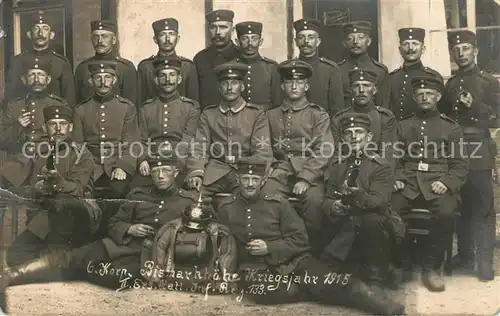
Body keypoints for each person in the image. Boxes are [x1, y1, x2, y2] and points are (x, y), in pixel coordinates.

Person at [0, 153, 199, 314]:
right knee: (72, 257)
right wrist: (129, 228)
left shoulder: (188, 201)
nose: (161, 176)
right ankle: (14, 275)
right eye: (156, 171)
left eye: (166, 171)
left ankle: (82, 271)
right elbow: (113, 223)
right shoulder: (138, 195)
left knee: (113, 278)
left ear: (176, 172)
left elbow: (203, 235)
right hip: (121, 244)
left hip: (149, 257)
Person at [215, 157, 404, 315]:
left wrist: (270, 248)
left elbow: (300, 240)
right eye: (245, 178)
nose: (249, 183)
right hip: (255, 269)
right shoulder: (226, 208)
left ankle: (376, 302)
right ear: (238, 179)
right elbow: (223, 243)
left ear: (263, 181)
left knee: (335, 283)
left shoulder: (278, 204)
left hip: (294, 262)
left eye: (254, 179)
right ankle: (311, 288)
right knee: (264, 292)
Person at [392, 74, 469, 291]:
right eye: (420, 94)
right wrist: (397, 178)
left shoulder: (450, 128)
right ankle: (402, 263)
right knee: (390, 209)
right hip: (408, 183)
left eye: (429, 94)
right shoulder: (403, 125)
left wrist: (446, 182)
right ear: (415, 98)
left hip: (438, 183)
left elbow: (460, 164)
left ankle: (432, 267)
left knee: (446, 212)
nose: (424, 97)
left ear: (438, 96)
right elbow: (393, 158)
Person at [3, 105, 97, 269]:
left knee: (63, 204)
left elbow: (78, 189)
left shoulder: (82, 153)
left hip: (79, 212)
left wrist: (58, 182)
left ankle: (59, 258)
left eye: (63, 124)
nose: (58, 129)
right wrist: (36, 189)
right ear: (45, 127)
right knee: (15, 256)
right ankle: (56, 259)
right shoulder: (37, 152)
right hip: (46, 213)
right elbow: (20, 188)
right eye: (53, 124)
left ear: (70, 127)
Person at [442, 30, 500, 281]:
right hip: (455, 151)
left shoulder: (489, 83)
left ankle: (484, 262)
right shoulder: (451, 84)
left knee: (482, 206)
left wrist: (475, 107)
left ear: (475, 51)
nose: (461, 53)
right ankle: (466, 256)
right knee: (461, 204)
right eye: (456, 50)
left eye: (465, 48)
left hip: (478, 148)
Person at [261, 59, 333, 255]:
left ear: (306, 86)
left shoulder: (318, 115)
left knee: (314, 201)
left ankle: (312, 251)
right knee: (266, 195)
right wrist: (268, 170)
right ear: (282, 86)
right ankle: (275, 248)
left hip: (311, 172)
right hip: (281, 170)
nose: (294, 86)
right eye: (289, 82)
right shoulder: (270, 115)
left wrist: (305, 178)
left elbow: (324, 149)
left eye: (299, 82)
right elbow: (263, 147)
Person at [321, 113, 398, 286]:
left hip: (374, 226)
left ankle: (375, 275)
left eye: (359, 132)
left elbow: (379, 202)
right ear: (342, 138)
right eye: (348, 132)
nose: (354, 136)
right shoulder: (337, 166)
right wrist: (333, 205)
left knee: (371, 220)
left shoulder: (381, 166)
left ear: (369, 136)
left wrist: (357, 195)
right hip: (345, 221)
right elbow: (327, 198)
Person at [185, 62, 272, 198]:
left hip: (244, 171)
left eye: (234, 83)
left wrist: (254, 176)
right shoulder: (209, 114)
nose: (230, 88)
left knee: (247, 201)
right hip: (215, 170)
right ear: (219, 88)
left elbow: (262, 150)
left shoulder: (256, 114)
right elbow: (199, 147)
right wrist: (196, 172)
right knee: (192, 197)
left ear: (242, 87)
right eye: (225, 83)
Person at [72, 61, 140, 199]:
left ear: (114, 80)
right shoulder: (81, 109)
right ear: (91, 81)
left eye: (107, 77)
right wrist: (87, 165)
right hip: (90, 163)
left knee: (119, 191)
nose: (103, 82)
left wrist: (122, 166)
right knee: (81, 193)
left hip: (117, 161)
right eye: (98, 78)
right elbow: (78, 143)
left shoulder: (127, 107)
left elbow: (131, 142)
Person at [0, 57, 69, 190]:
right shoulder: (13, 106)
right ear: (24, 79)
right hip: (18, 164)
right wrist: (17, 127)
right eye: (32, 75)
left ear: (48, 79)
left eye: (41, 75)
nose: (37, 79)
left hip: (49, 162)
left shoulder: (59, 105)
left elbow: (68, 141)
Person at [132, 56, 200, 189]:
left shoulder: (191, 107)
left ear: (179, 79)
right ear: (156, 80)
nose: (167, 80)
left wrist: (177, 165)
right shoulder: (146, 108)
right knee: (136, 189)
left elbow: (188, 140)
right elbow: (141, 140)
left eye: (172, 75)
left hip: (180, 162)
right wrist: (143, 160)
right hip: (151, 162)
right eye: (162, 76)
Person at [5, 10, 75, 107]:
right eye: (36, 29)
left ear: (51, 35)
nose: (40, 33)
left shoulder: (61, 62)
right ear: (29, 34)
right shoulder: (18, 61)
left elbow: (69, 99)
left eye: (45, 29)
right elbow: (11, 96)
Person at [331, 69, 396, 165]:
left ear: (374, 90)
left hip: (376, 172)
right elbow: (335, 155)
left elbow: (387, 155)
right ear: (351, 90)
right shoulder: (338, 119)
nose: (361, 90)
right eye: (356, 86)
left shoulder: (385, 118)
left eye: (366, 85)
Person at [377, 27, 444, 119]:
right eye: (406, 44)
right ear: (400, 50)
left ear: (423, 49)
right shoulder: (392, 78)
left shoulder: (433, 77)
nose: (410, 48)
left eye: (415, 43)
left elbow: (441, 111)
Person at [74, 20, 137, 105]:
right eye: (96, 37)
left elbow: (131, 104)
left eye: (104, 36)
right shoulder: (83, 68)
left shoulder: (125, 68)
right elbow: (78, 103)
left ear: (114, 39)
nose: (100, 41)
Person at [137, 18, 199, 104]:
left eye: (172, 34)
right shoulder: (145, 67)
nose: (167, 39)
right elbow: (140, 101)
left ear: (177, 39)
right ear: (155, 39)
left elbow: (194, 101)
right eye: (162, 35)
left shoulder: (187, 66)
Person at [293, 19, 344, 116]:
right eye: (301, 37)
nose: (306, 41)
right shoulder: (288, 68)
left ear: (318, 41)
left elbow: (337, 108)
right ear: (296, 42)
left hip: (322, 126)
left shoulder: (330, 69)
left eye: (311, 37)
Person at [193, 9, 240, 108]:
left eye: (223, 27)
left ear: (232, 30)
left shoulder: (241, 55)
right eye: (213, 27)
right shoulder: (200, 58)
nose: (218, 32)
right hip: (208, 119)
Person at [338, 21, 388, 108]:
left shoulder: (380, 70)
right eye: (350, 38)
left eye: (360, 37)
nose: (355, 42)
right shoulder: (337, 70)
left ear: (368, 41)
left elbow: (384, 104)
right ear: (344, 43)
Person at [234, 21, 282, 110]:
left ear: (261, 41)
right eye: (245, 39)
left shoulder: (272, 67)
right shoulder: (232, 67)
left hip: (265, 118)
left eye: (254, 39)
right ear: (237, 42)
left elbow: (278, 102)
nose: (250, 43)